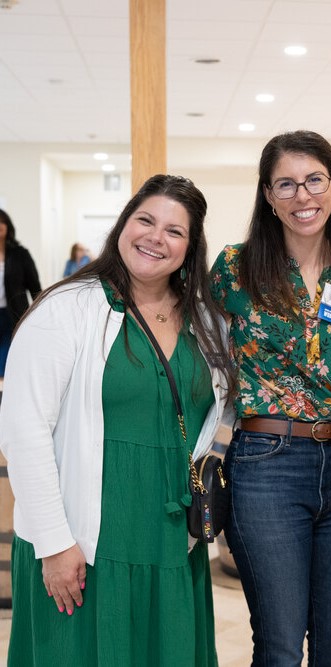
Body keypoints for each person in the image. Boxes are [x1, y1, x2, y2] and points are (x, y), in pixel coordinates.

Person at [0, 174, 235, 666]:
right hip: (83, 542)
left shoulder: (207, 320)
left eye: (175, 231)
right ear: (122, 226)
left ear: (190, 247)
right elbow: (23, 431)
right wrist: (54, 542)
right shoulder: (66, 309)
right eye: (145, 220)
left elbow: (220, 405)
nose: (155, 237)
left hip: (172, 538)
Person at [210, 130, 331, 666]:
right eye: (286, 184)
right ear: (267, 195)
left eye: (314, 181)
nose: (302, 196)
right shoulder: (236, 268)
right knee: (280, 646)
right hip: (266, 464)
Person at [0, 208, 41, 377]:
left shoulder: (20, 254)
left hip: (12, 313)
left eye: (1, 221)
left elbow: (35, 286)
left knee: (8, 358)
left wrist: (40, 314)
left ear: (7, 226)